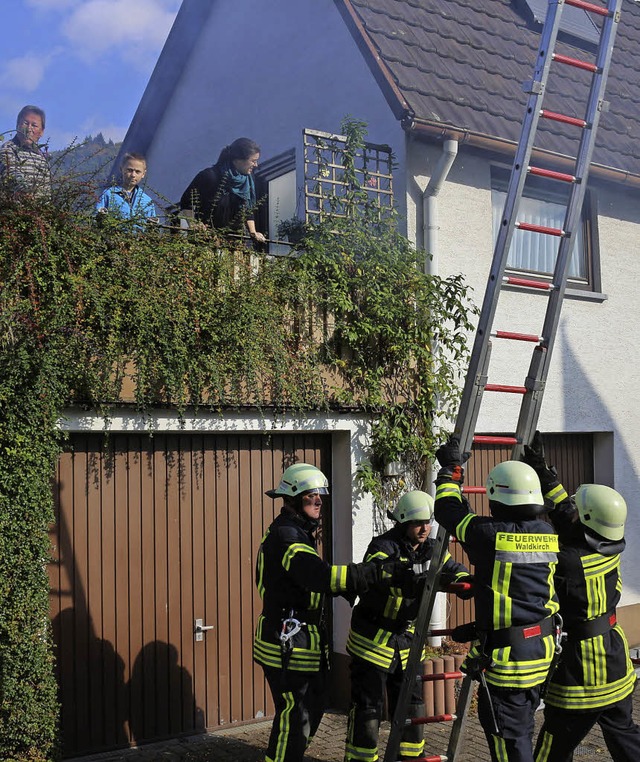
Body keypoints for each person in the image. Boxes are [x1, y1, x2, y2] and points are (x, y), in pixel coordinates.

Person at [254, 463, 412, 762]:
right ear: (293, 499)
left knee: (311, 708)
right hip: (286, 644)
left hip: (301, 642)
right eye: (312, 496)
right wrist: (373, 574)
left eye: (321, 496)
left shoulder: (299, 531)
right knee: (295, 715)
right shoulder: (287, 535)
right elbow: (319, 576)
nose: (319, 502)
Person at [433, 437, 561, 762]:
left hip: (509, 666)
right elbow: (517, 596)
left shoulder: (489, 536)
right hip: (541, 655)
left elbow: (449, 510)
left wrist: (450, 470)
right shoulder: (549, 533)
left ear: (495, 497)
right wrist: (547, 476)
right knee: (523, 733)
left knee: (510, 746)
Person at [521, 432, 640, 762]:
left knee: (550, 752)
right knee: (625, 738)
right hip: (616, 664)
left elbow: (539, 548)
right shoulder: (607, 543)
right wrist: (545, 474)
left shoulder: (569, 562)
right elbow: (568, 513)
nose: (572, 510)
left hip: (583, 676)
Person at [344, 490, 474, 762]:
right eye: (418, 523)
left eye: (428, 522)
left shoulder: (431, 549)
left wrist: (463, 581)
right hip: (372, 642)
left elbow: (453, 566)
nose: (425, 528)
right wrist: (411, 579)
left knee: (413, 709)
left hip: (406, 644)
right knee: (369, 710)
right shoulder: (382, 546)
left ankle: (411, 759)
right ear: (403, 522)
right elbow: (379, 573)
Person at [179, 137, 266, 243]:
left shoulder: (247, 181)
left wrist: (253, 232)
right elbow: (186, 201)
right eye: (253, 161)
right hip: (207, 239)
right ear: (237, 160)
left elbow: (247, 210)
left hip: (235, 242)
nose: (256, 165)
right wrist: (193, 224)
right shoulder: (210, 176)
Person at [0, 104, 51, 199]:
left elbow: (46, 191)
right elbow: (12, 176)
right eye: (25, 123)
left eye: (34, 125)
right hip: (14, 211)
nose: (28, 129)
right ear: (17, 125)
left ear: (42, 132)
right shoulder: (7, 149)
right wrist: (27, 196)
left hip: (38, 212)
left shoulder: (42, 158)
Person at [95, 152, 157, 229]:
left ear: (143, 174)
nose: (133, 175)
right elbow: (96, 221)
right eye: (130, 170)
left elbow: (152, 230)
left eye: (138, 172)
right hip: (112, 239)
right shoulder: (109, 194)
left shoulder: (147, 202)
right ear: (121, 169)